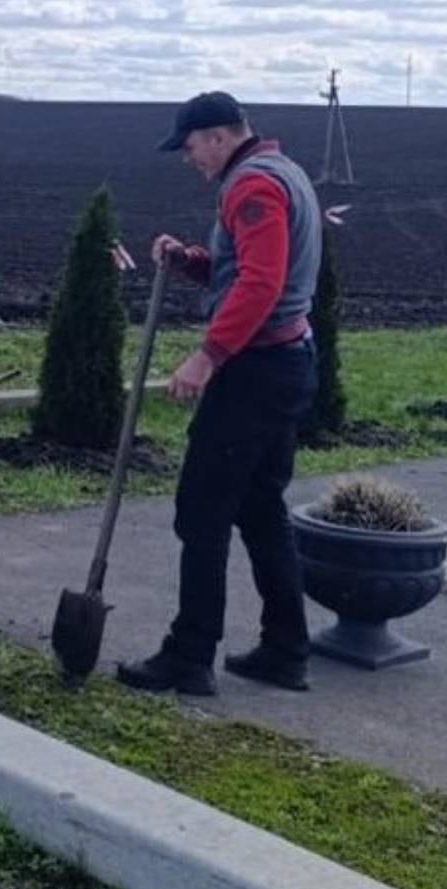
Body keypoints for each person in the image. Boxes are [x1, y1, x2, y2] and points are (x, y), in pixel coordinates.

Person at [117, 91, 321, 696]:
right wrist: (193, 261)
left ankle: (189, 654)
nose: (188, 158)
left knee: (201, 511)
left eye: (189, 146)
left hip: (256, 372)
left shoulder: (251, 186)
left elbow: (262, 283)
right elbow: (248, 269)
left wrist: (207, 356)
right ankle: (286, 649)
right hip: (287, 360)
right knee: (260, 509)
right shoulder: (283, 172)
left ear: (217, 137)